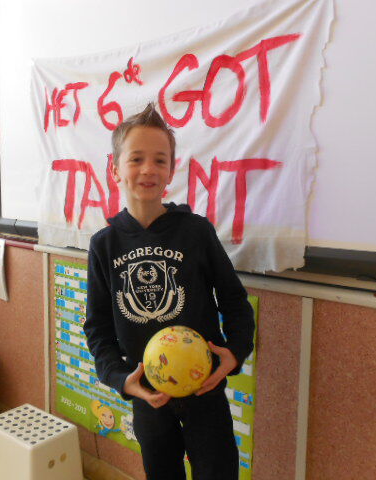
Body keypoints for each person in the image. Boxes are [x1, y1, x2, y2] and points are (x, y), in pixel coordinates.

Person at [84, 103, 255, 480]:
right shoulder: (104, 245)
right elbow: (97, 328)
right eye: (136, 159)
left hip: (205, 392)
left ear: (170, 171)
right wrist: (120, 377)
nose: (148, 169)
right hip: (149, 397)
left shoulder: (196, 231)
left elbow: (234, 301)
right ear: (115, 169)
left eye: (159, 160)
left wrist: (235, 351)